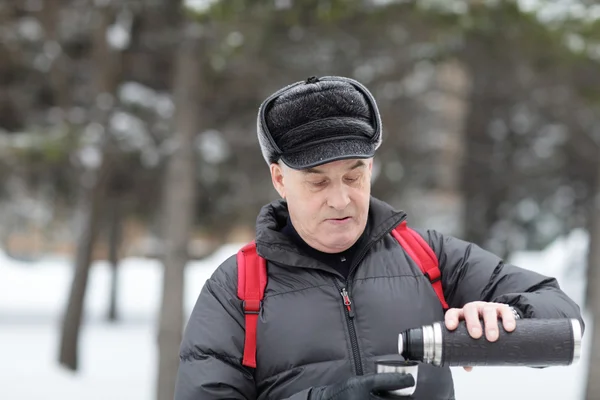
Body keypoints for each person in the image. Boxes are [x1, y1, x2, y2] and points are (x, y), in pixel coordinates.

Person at [173, 75, 584, 400]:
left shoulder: (428, 256)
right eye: (317, 183)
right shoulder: (236, 289)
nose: (340, 199)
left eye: (354, 176)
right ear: (279, 178)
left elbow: (565, 321)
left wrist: (508, 320)